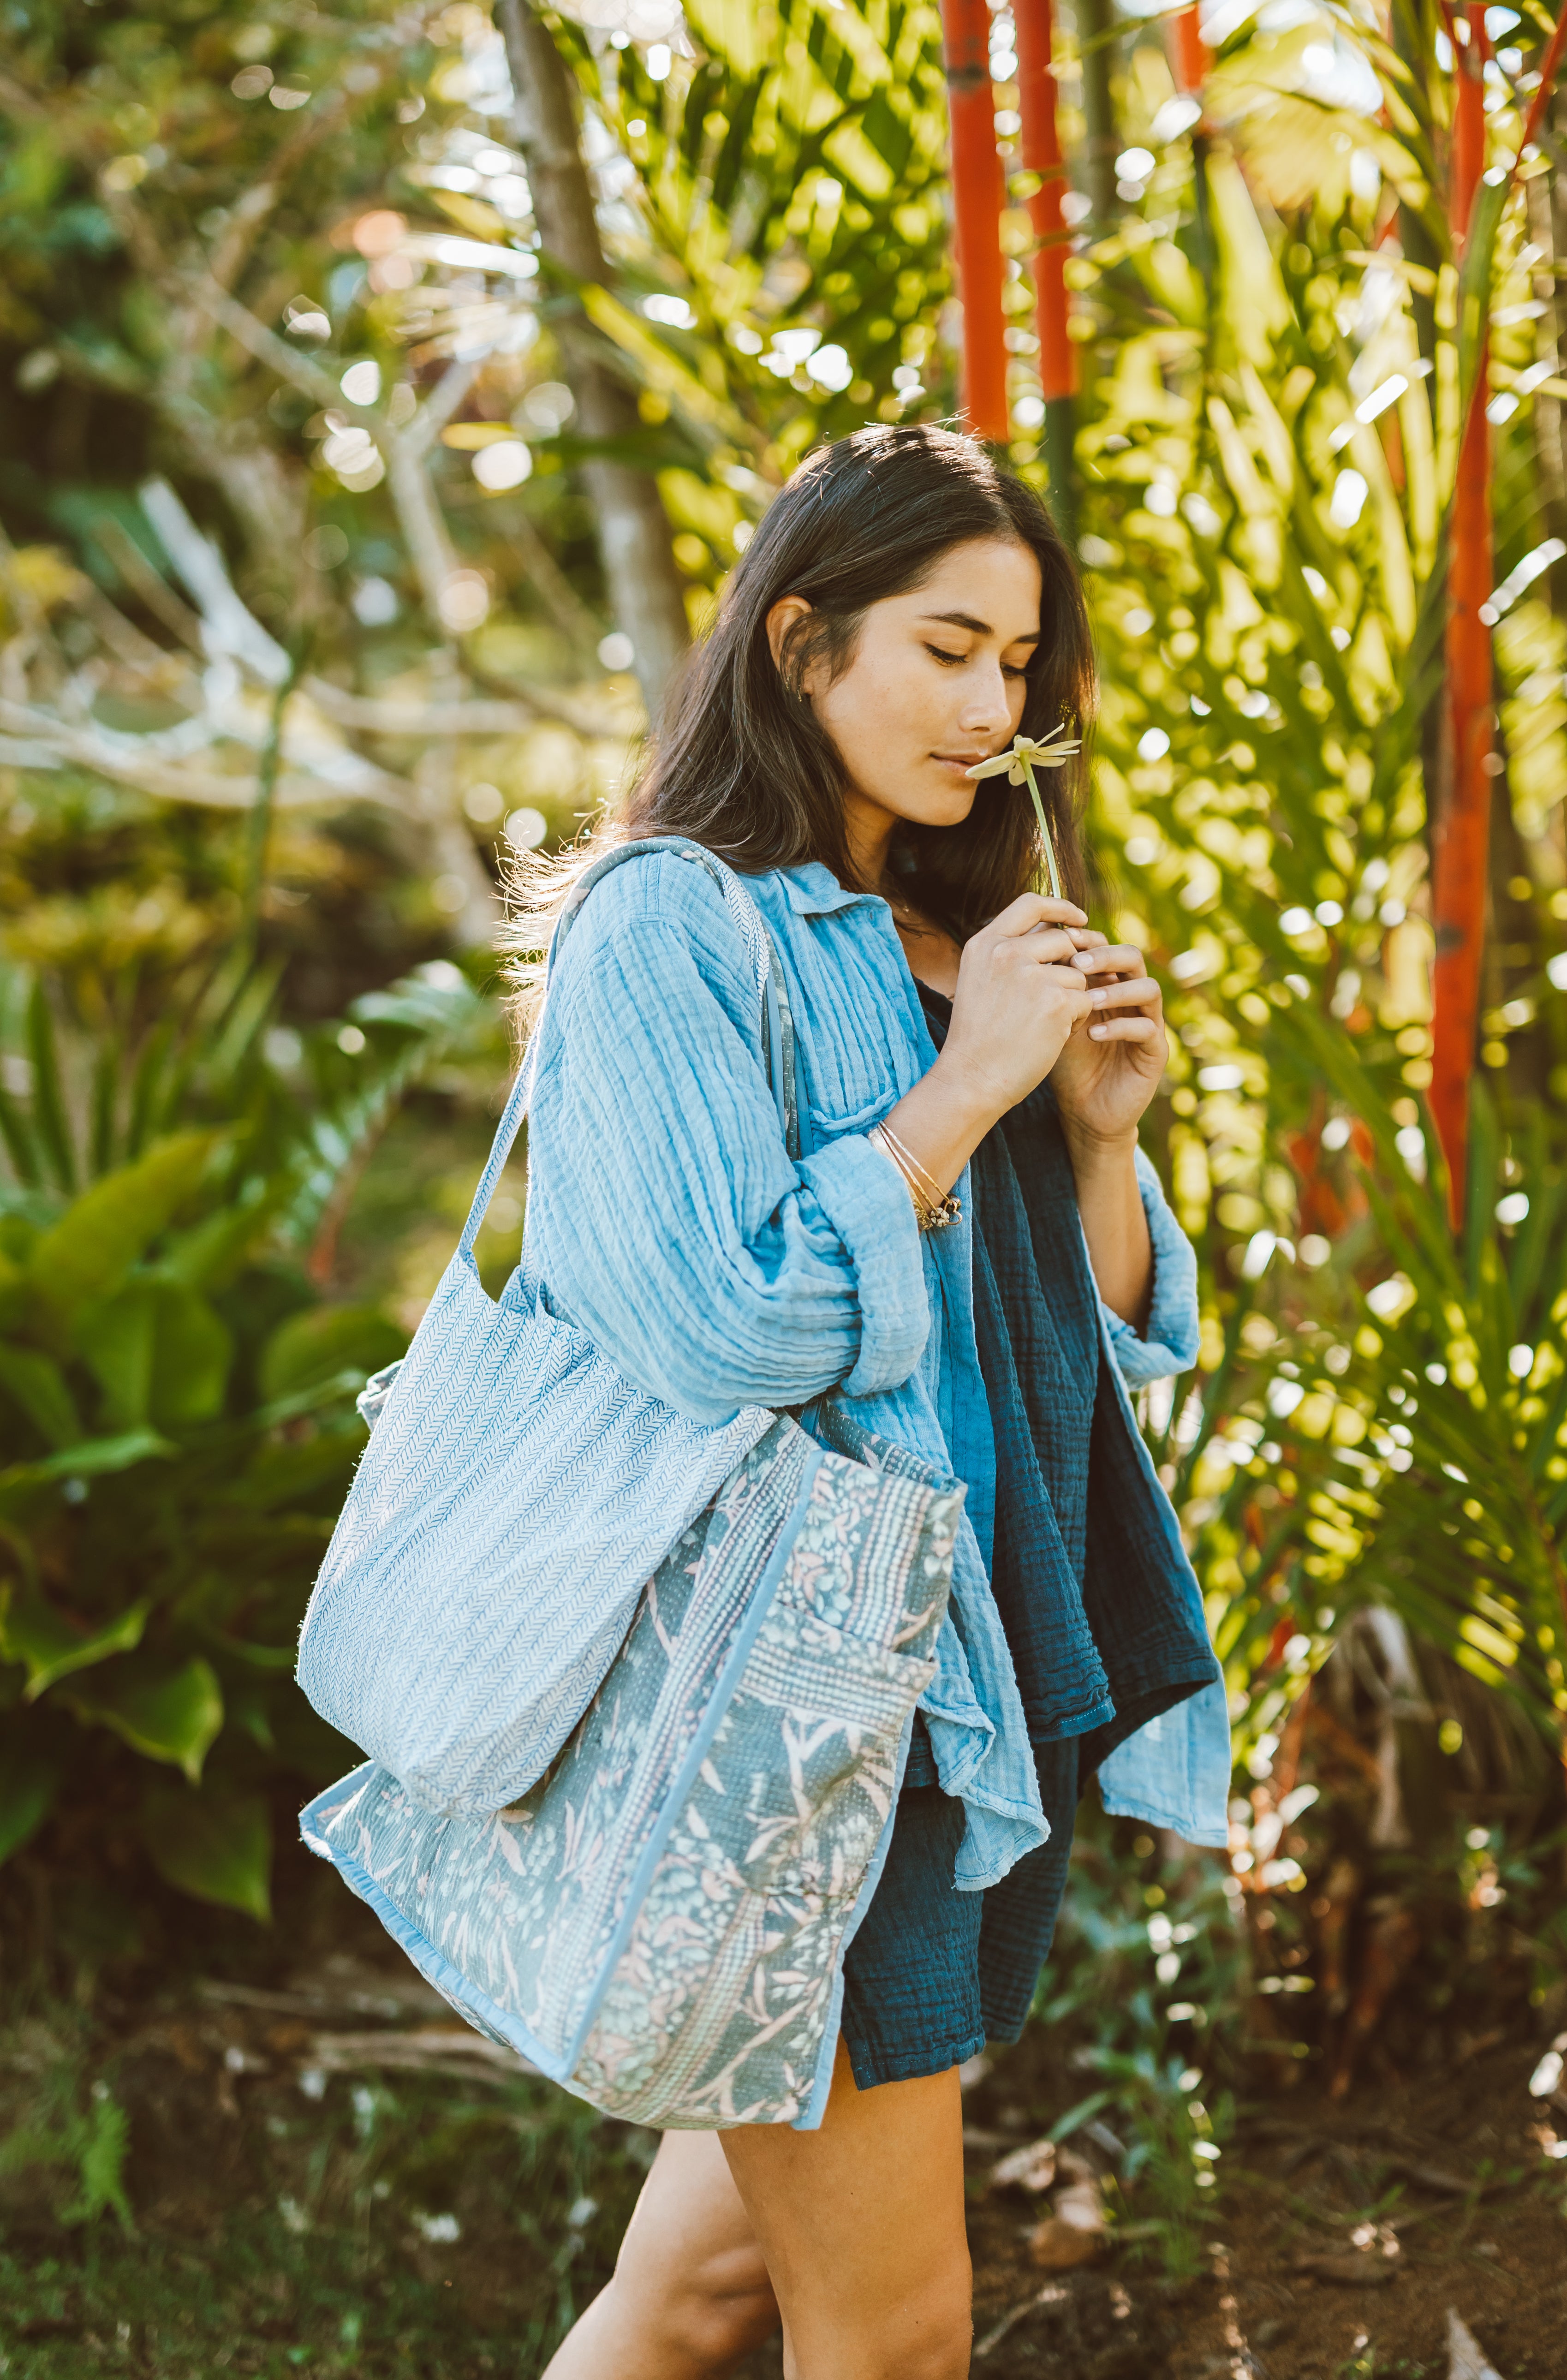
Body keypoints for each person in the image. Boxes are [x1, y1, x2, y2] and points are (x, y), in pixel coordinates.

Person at [514, 424, 1227, 2380]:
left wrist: (1092, 1138)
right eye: (944, 646)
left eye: (1018, 664)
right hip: (806, 1719)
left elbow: (1089, 1345)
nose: (991, 706)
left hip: (974, 1677)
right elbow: (722, 1326)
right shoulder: (669, 926)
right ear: (797, 639)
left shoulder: (954, 938)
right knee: (895, 2336)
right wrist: (968, 1084)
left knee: (697, 2295)